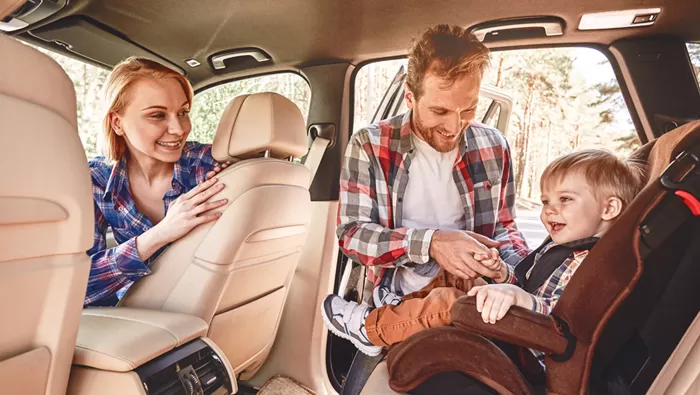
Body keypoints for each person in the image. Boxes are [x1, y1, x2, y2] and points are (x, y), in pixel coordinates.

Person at [323, 149, 646, 360]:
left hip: (530, 347)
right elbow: (531, 280)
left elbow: (561, 320)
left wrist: (515, 297)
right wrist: (501, 274)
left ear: (609, 207)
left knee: (452, 301)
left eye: (565, 200)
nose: (550, 211)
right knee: (463, 271)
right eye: (546, 202)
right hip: (523, 321)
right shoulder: (563, 245)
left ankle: (372, 329)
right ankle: (401, 310)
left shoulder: (589, 264)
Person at [323, 23, 529, 352]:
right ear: (410, 95)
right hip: (400, 300)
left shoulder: (495, 146)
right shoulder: (370, 145)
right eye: (440, 110)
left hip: (476, 295)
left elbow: (505, 228)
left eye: (469, 109)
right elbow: (351, 235)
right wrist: (432, 243)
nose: (454, 126)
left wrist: (512, 272)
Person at [85, 57, 230, 306]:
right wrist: (159, 235)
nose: (178, 129)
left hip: (198, 312)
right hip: (134, 315)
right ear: (117, 123)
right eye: (157, 115)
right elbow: (79, 285)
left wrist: (236, 173)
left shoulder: (209, 167)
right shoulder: (96, 178)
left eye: (183, 113)